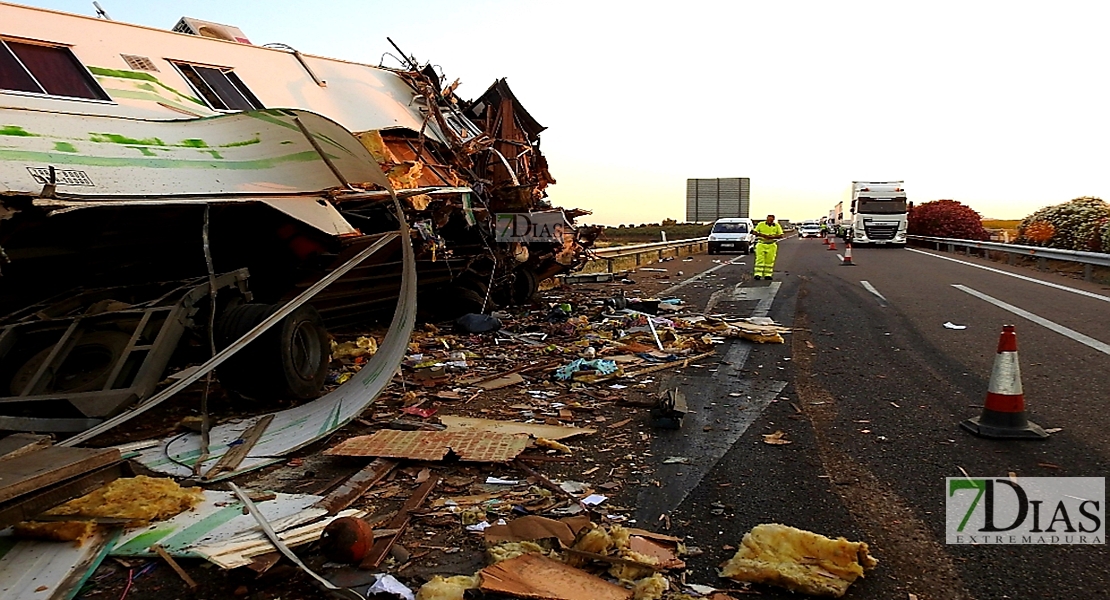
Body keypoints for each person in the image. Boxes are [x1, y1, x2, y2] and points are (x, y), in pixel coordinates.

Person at [753, 214, 784, 280]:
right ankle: (758, 274)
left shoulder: (776, 226)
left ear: (773, 220)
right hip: (761, 244)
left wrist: (772, 237)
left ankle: (768, 274)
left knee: (770, 260)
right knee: (760, 259)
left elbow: (781, 235)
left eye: (771, 220)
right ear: (766, 219)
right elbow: (754, 232)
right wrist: (763, 235)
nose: (770, 221)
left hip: (771, 244)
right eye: (768, 220)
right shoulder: (761, 224)